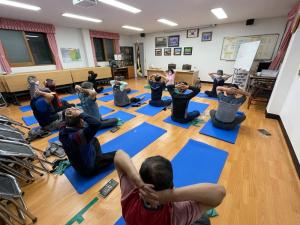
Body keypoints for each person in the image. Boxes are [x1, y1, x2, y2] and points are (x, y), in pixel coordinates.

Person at [114, 151, 226, 225]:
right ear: (171, 185)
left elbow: (119, 154)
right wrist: (170, 196)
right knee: (204, 220)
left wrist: (136, 180)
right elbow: (220, 192)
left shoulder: (130, 194)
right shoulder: (176, 212)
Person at [59, 107, 119, 176]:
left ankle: (97, 157)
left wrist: (69, 111)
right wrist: (81, 114)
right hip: (89, 169)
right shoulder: (81, 135)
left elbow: (63, 118)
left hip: (77, 167)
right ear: (81, 122)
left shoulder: (62, 132)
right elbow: (97, 124)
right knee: (118, 153)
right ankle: (99, 159)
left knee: (94, 139)